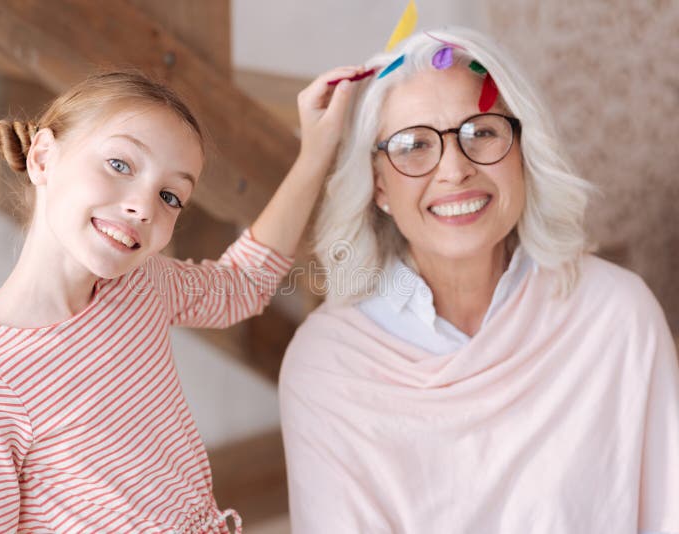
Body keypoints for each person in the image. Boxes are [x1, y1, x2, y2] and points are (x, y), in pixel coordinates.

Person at [279, 27, 679, 533]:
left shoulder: (617, 315)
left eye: (482, 132)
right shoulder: (326, 363)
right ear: (379, 183)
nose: (454, 170)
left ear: (522, 152)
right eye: (414, 145)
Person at [0, 67, 362, 534]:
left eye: (171, 196)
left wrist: (317, 148)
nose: (143, 206)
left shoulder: (141, 284)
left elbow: (243, 284)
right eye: (120, 165)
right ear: (42, 158)